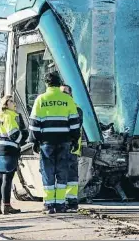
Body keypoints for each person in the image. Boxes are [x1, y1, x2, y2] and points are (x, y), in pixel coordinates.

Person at [28, 72, 80, 214]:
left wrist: (35, 141)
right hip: (64, 142)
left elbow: (34, 124)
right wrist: (75, 140)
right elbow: (75, 124)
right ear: (59, 84)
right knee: (62, 172)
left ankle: (49, 205)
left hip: (47, 143)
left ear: (46, 84)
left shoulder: (40, 99)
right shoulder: (67, 100)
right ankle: (61, 204)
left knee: (48, 172)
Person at [0, 95, 26, 215]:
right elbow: (14, 135)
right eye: (11, 101)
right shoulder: (11, 116)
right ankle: (7, 206)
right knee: (7, 178)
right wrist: (24, 139)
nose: (14, 104)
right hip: (9, 150)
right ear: (6, 104)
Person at [61, 84, 84, 212]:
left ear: (71, 95)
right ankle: (63, 200)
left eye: (65, 92)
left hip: (71, 148)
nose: (63, 95)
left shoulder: (76, 109)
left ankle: (71, 200)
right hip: (61, 147)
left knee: (71, 175)